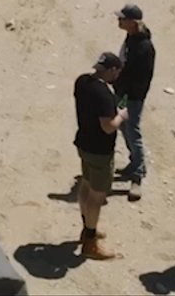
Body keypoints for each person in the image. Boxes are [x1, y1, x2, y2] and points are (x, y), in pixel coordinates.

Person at [73, 51, 126, 261]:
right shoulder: (103, 94)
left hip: (83, 142)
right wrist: (121, 116)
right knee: (97, 195)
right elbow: (108, 127)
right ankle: (90, 242)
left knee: (85, 185)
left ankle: (87, 228)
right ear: (112, 70)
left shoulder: (82, 82)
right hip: (100, 150)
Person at [117, 3, 156, 198]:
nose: (119, 20)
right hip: (124, 93)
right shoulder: (132, 38)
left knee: (132, 129)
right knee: (124, 127)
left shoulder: (144, 47)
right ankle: (133, 163)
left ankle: (138, 175)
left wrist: (128, 94)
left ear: (132, 22)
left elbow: (141, 77)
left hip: (132, 95)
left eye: (122, 18)